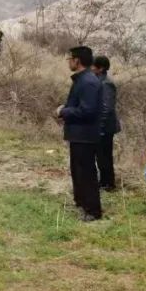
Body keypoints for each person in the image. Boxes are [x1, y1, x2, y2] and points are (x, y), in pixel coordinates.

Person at [55, 46, 104, 221]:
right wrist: (66, 110)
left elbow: (87, 111)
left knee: (87, 172)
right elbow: (79, 106)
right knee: (78, 171)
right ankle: (82, 203)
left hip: (86, 135)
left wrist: (64, 112)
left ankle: (93, 211)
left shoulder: (88, 82)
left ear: (77, 60)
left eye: (70, 58)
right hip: (78, 134)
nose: (68, 61)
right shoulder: (82, 80)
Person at [92, 55, 120, 191]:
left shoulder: (106, 83)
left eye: (93, 66)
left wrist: (100, 127)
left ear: (101, 68)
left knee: (104, 156)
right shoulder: (98, 81)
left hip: (105, 126)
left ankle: (108, 183)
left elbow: (107, 108)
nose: (90, 68)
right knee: (100, 156)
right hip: (100, 126)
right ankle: (103, 181)